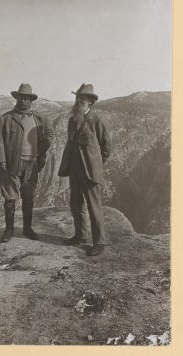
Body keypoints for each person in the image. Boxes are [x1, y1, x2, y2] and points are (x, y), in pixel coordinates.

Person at [0, 83, 55, 243]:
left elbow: (49, 136)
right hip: (12, 164)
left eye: (26, 99)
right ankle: (9, 231)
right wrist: (1, 161)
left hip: (32, 164)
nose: (23, 101)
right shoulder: (5, 118)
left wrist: (43, 150)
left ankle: (28, 229)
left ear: (31, 101)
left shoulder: (40, 119)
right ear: (16, 99)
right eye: (20, 98)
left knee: (28, 197)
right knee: (10, 198)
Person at [58, 83, 112, 256]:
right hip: (75, 169)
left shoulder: (97, 120)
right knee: (76, 204)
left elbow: (107, 147)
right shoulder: (73, 120)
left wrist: (96, 162)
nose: (79, 101)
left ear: (91, 103)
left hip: (91, 171)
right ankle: (80, 236)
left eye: (83, 99)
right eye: (78, 98)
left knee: (93, 206)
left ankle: (99, 242)